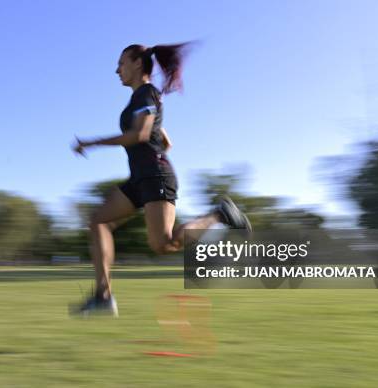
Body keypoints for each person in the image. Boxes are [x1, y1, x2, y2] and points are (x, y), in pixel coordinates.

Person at [71, 43, 251, 317]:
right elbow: (164, 139)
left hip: (154, 175)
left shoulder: (147, 93)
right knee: (98, 221)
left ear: (137, 64)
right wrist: (150, 156)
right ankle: (103, 297)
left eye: (121, 63)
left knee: (163, 245)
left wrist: (93, 143)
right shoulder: (140, 99)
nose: (116, 69)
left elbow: (142, 135)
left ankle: (219, 214)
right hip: (142, 177)